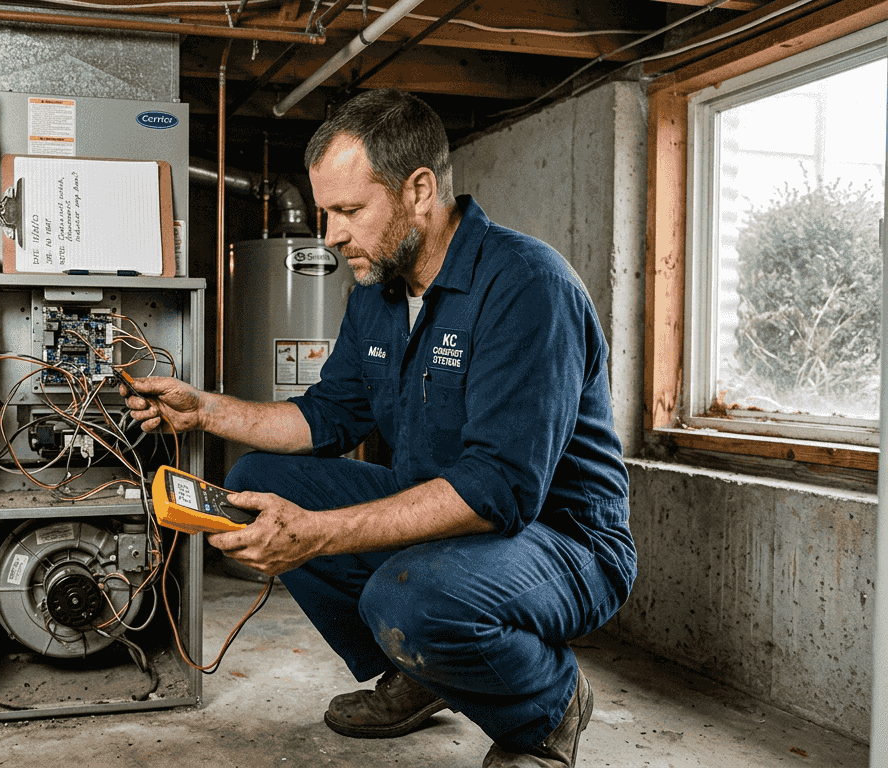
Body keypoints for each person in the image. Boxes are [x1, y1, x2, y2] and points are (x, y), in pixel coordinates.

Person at [123, 88, 636, 768]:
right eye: (324, 212)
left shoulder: (526, 287)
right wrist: (205, 409)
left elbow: (500, 492)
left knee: (414, 597)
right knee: (255, 480)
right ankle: (421, 676)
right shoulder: (379, 292)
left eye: (348, 211)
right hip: (449, 513)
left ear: (419, 189)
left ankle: (547, 709)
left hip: (564, 541)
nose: (330, 235)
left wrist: (317, 533)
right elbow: (327, 416)